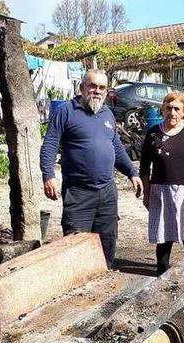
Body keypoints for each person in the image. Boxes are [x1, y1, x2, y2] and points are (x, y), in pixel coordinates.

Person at [40, 69, 144, 268]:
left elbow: (116, 146)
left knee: (107, 244)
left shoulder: (107, 113)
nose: (97, 91)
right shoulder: (65, 111)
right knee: (76, 247)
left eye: (102, 87)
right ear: (82, 88)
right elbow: (50, 144)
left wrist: (132, 172)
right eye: (92, 86)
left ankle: (105, 288)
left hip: (107, 193)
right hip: (78, 193)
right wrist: (48, 175)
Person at [140, 91, 184, 275]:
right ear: (163, 109)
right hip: (161, 191)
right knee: (164, 238)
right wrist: (147, 194)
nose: (172, 112)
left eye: (176, 109)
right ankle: (161, 274)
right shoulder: (153, 133)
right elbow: (144, 168)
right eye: (168, 108)